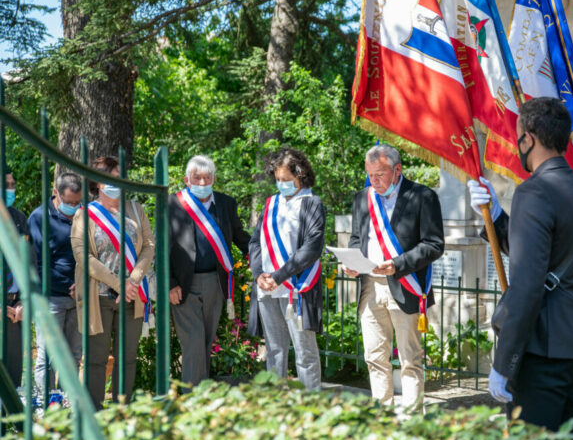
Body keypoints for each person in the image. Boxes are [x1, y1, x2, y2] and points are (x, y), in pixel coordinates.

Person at [466, 97, 573, 435]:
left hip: (543, 351)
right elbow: (546, 256)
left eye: (518, 137)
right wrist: (497, 217)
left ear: (528, 138)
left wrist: (504, 362)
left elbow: (527, 285)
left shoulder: (534, 191)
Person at [343, 144, 444, 409]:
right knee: (374, 357)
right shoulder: (362, 199)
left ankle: (412, 423)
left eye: (380, 175)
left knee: (410, 359)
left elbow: (434, 244)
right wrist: (352, 263)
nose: (373, 182)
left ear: (397, 170)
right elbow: (357, 239)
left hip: (405, 285)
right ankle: (382, 417)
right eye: (370, 175)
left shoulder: (422, 196)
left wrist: (398, 264)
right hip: (370, 288)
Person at [71, 156, 154, 406]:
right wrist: (120, 283)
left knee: (127, 357)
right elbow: (82, 255)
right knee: (96, 358)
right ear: (96, 182)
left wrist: (134, 279)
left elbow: (148, 246)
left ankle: (122, 411)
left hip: (131, 297)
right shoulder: (84, 214)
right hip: (99, 297)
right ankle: (94, 413)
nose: (115, 181)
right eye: (109, 176)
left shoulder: (136, 210)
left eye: (119, 176)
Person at [169, 155, 250, 387]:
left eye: (207, 178)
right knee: (193, 342)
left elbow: (240, 237)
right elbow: (162, 245)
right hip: (183, 284)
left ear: (214, 179)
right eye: (197, 178)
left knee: (205, 341)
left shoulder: (226, 203)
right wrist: (170, 282)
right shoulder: (173, 203)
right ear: (187, 179)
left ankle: (201, 396)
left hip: (216, 282)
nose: (203, 183)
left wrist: (259, 253)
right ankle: (193, 399)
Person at [248, 148, 325, 390]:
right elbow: (255, 242)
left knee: (305, 354)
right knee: (274, 351)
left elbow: (312, 247)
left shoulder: (312, 203)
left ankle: (310, 409)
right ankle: (275, 407)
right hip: (268, 288)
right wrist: (259, 273)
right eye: (278, 180)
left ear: (300, 176)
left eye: (287, 180)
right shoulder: (270, 203)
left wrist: (279, 277)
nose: (281, 184)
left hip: (296, 288)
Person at [28, 171, 83, 391]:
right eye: (68, 202)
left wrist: (81, 284)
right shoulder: (39, 218)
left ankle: (68, 402)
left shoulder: (83, 215)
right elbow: (37, 264)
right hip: (51, 298)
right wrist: (67, 285)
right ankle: (47, 404)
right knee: (49, 355)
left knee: (74, 355)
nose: (73, 207)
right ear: (55, 193)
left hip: (79, 297)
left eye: (77, 203)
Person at [3, 169, 32, 387]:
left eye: (13, 184)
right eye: (6, 184)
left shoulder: (19, 218)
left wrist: (23, 300)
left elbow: (28, 262)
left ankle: (8, 420)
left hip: (15, 308)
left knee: (12, 375)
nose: (10, 189)